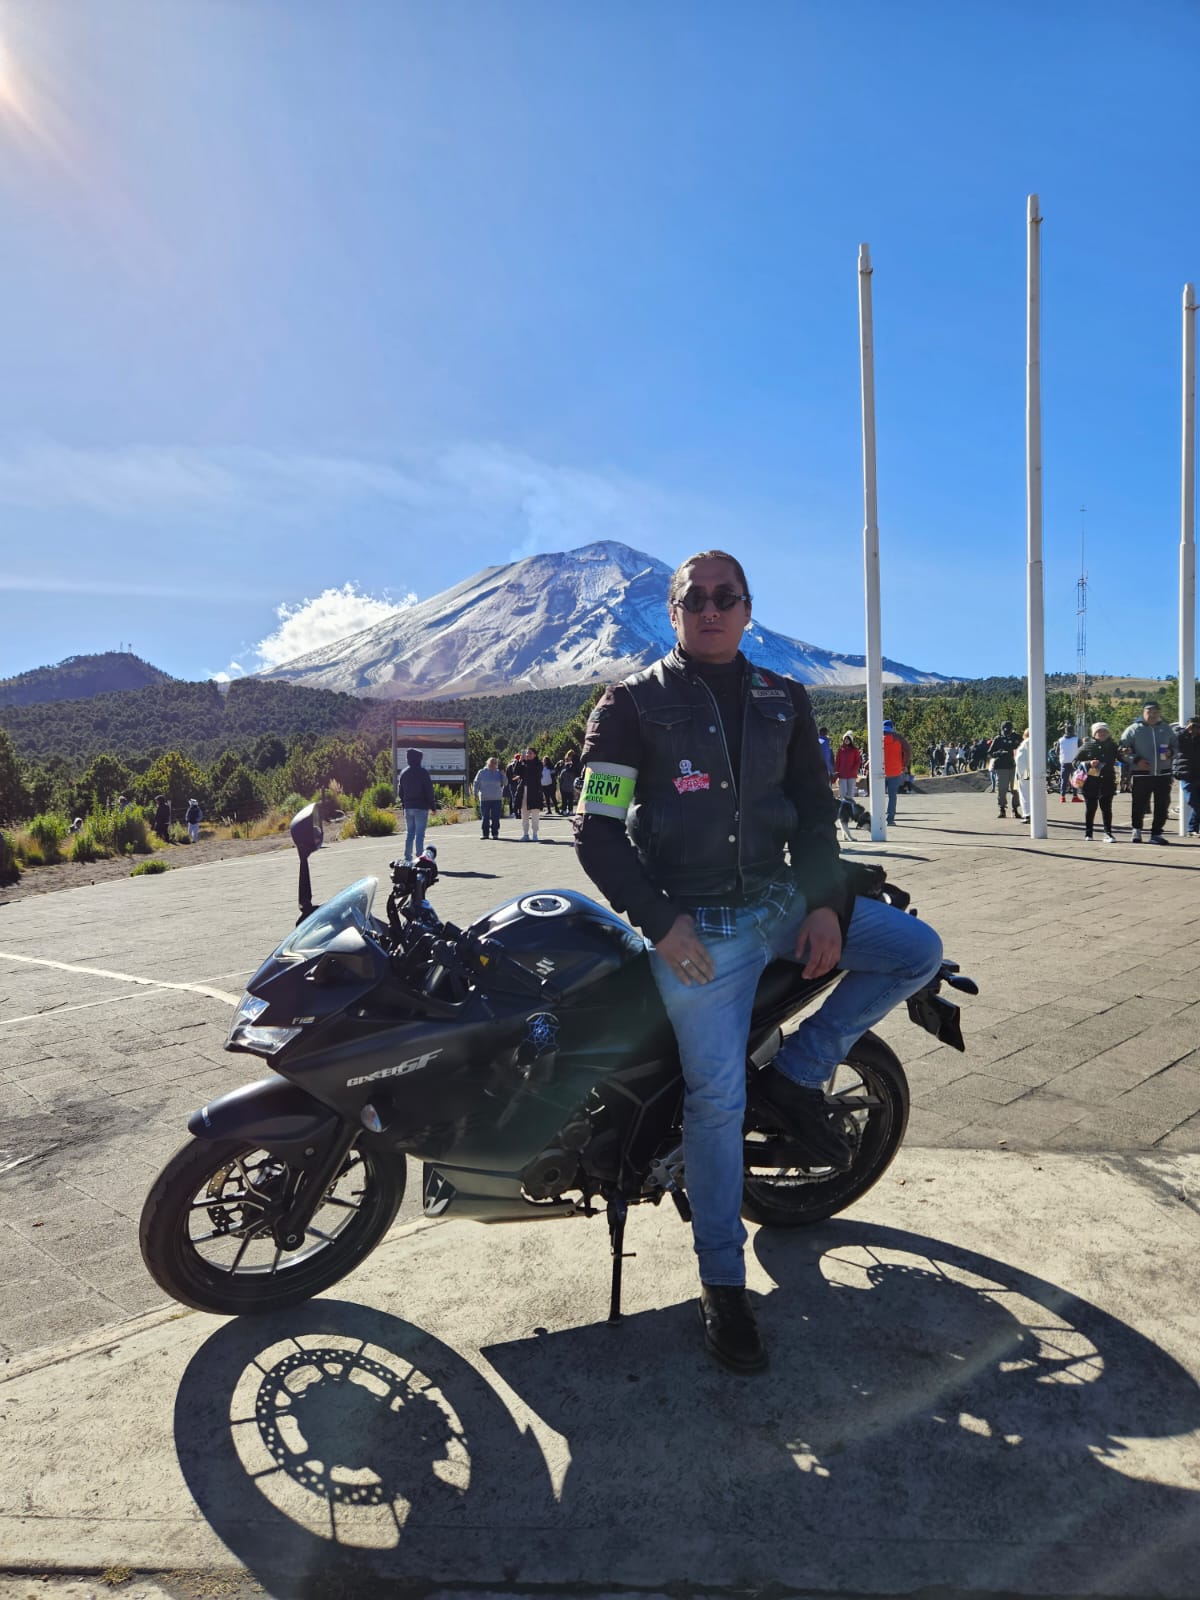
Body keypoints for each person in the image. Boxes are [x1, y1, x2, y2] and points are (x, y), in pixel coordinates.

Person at [573, 549, 942, 1374]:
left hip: (781, 905)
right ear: (672, 611)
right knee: (714, 1100)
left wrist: (820, 903)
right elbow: (594, 830)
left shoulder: (785, 697)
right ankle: (723, 1284)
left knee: (917, 950)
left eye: (726, 597)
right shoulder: (631, 703)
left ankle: (802, 1070)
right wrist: (662, 925)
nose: (710, 608)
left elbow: (816, 814)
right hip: (695, 934)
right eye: (693, 597)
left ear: (747, 609)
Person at [1119, 702, 1178, 844]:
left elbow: (1177, 746)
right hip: (1142, 774)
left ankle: (1156, 834)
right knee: (1139, 804)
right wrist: (1136, 760)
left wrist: (1171, 752)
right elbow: (1121, 751)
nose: (1152, 715)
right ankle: (1137, 831)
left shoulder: (1166, 729)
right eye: (1149, 711)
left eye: (1155, 712)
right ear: (1143, 712)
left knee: (1162, 805)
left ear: (1159, 713)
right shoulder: (1133, 729)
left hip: (1163, 774)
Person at [1072, 722, 1119, 842]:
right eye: (1099, 731)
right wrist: (1088, 763)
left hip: (1107, 780)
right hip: (1090, 782)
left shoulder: (1113, 746)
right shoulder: (1087, 746)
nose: (1102, 733)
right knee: (1091, 807)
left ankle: (1108, 833)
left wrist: (1126, 753)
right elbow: (1075, 762)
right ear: (1094, 733)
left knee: (1106, 808)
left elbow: (1121, 757)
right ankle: (1088, 833)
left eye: (1105, 731)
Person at [397, 748, 436, 862]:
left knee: (410, 834)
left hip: (408, 807)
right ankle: (420, 858)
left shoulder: (404, 772)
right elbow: (429, 791)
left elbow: (400, 792)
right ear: (419, 759)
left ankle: (407, 858)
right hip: (421, 807)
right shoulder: (423, 772)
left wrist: (405, 802)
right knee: (420, 834)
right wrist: (432, 806)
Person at [833, 732, 862, 843]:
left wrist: (853, 769)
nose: (846, 741)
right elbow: (837, 762)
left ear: (851, 740)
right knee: (843, 794)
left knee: (850, 794)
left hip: (851, 775)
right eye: (845, 739)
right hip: (842, 775)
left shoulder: (854, 750)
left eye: (848, 739)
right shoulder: (841, 750)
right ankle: (845, 809)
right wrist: (837, 773)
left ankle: (849, 809)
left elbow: (857, 761)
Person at [1174, 715, 1200, 836]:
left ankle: (1192, 829)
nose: (1194, 729)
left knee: (1198, 803)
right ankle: (1192, 828)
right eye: (1192, 726)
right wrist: (1186, 731)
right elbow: (1173, 740)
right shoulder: (1181, 735)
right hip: (1185, 773)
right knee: (1193, 801)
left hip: (1198, 774)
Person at [881, 719, 910, 825]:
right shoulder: (899, 738)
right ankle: (890, 819)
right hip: (895, 771)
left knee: (879, 796)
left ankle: (878, 817)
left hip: (880, 771)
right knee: (892, 796)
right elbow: (907, 750)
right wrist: (903, 764)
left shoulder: (877, 737)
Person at [988, 721, 1019, 817]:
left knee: (1015, 790)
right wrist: (999, 753)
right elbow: (990, 753)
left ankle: (1015, 809)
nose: (1007, 732)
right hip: (1001, 767)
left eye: (1009, 730)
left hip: (1014, 766)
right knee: (1002, 789)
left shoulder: (1017, 738)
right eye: (1005, 730)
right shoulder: (998, 739)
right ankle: (1002, 809)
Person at [514, 748, 545, 841]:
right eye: (527, 753)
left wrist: (525, 763)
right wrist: (519, 761)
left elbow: (533, 773)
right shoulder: (523, 763)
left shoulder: (538, 764)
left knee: (535, 814)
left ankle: (535, 834)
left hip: (534, 791)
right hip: (523, 790)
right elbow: (515, 772)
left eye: (530, 753)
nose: (528, 754)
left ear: (535, 754)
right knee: (524, 814)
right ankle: (525, 834)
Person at [472, 756, 506, 840]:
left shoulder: (499, 773)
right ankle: (485, 834)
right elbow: (476, 783)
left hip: (496, 799)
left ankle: (495, 834)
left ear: (497, 764)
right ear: (487, 763)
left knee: (496, 817)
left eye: (495, 763)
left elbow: (505, 783)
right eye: (491, 763)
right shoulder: (481, 772)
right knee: (485, 817)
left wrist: (504, 775)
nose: (493, 765)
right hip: (484, 798)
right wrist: (475, 794)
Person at [1056, 723, 1082, 804]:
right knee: (1075, 779)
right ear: (1073, 731)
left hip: (1064, 761)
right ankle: (1075, 796)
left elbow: (1057, 751)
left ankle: (1062, 797)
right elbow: (1081, 750)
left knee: (1064, 779)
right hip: (1074, 762)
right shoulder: (1077, 739)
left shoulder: (1060, 740)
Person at [1014, 728, 1031, 821]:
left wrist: (1020, 774)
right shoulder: (1036, 742)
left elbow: (1020, 759)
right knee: (1033, 792)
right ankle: (1034, 812)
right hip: (1033, 771)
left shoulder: (1025, 744)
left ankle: (1027, 814)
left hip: (1024, 772)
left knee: (1024, 792)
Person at [557, 750, 581, 814]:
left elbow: (560, 779)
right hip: (572, 785)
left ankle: (564, 811)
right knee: (571, 799)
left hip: (565, 787)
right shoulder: (577, 759)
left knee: (564, 799)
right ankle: (571, 811)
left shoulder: (566, 769)